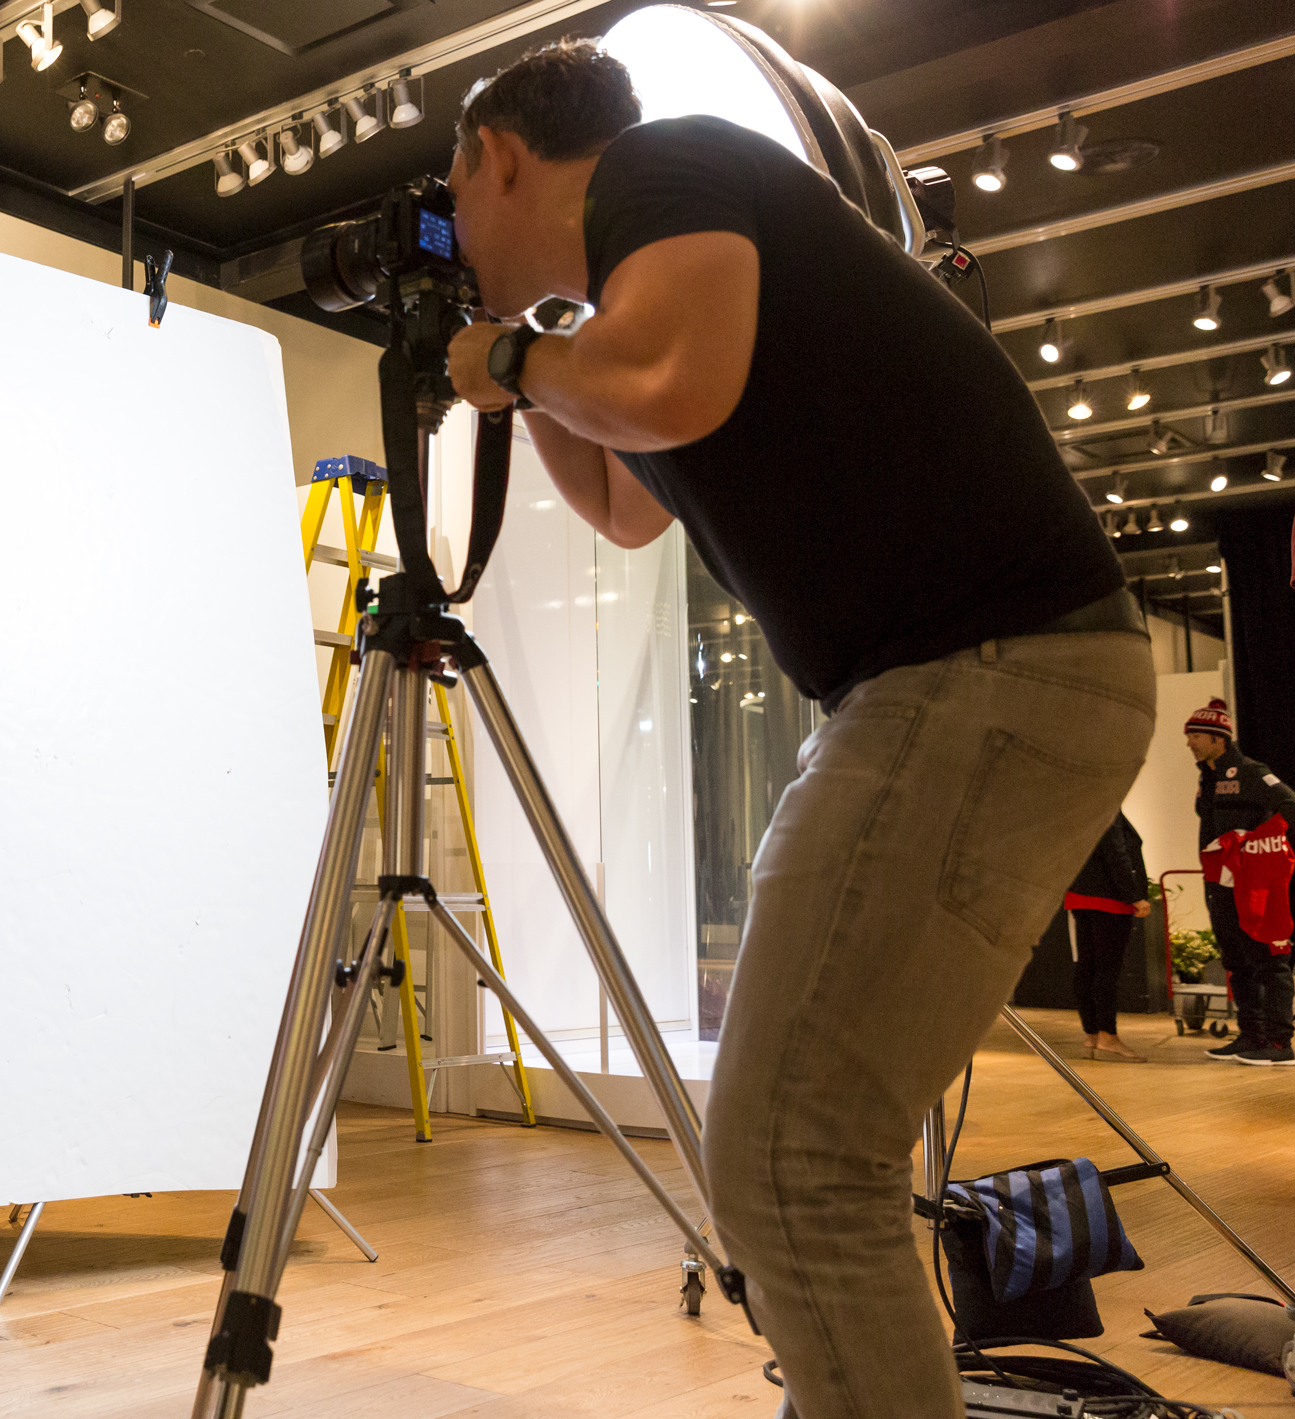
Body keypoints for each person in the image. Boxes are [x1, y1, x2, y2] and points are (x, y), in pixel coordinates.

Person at [442, 40, 1154, 1419]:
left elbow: (668, 386)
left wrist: (507, 350)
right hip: (973, 672)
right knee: (803, 1152)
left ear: (500, 157)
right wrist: (526, 366)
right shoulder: (637, 282)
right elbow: (625, 500)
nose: (451, 225)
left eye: (452, 192)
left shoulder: (669, 163)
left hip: (982, 664)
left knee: (791, 1154)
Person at [1185, 698, 1295, 1066]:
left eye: (1196, 735)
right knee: (1236, 960)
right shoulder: (1208, 777)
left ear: (1219, 739)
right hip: (1218, 882)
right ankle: (1251, 1035)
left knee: (1268, 959)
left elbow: (1290, 804)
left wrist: (1258, 846)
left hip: (1253, 881)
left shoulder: (1250, 771)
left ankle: (1280, 1044)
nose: (1190, 742)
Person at [1063, 814, 1151, 1061]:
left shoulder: (1083, 812)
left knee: (1087, 966)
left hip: (1081, 895)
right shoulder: (1110, 813)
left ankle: (1092, 1033)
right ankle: (1108, 1037)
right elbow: (1117, 854)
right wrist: (1135, 895)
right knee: (1106, 970)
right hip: (1110, 900)